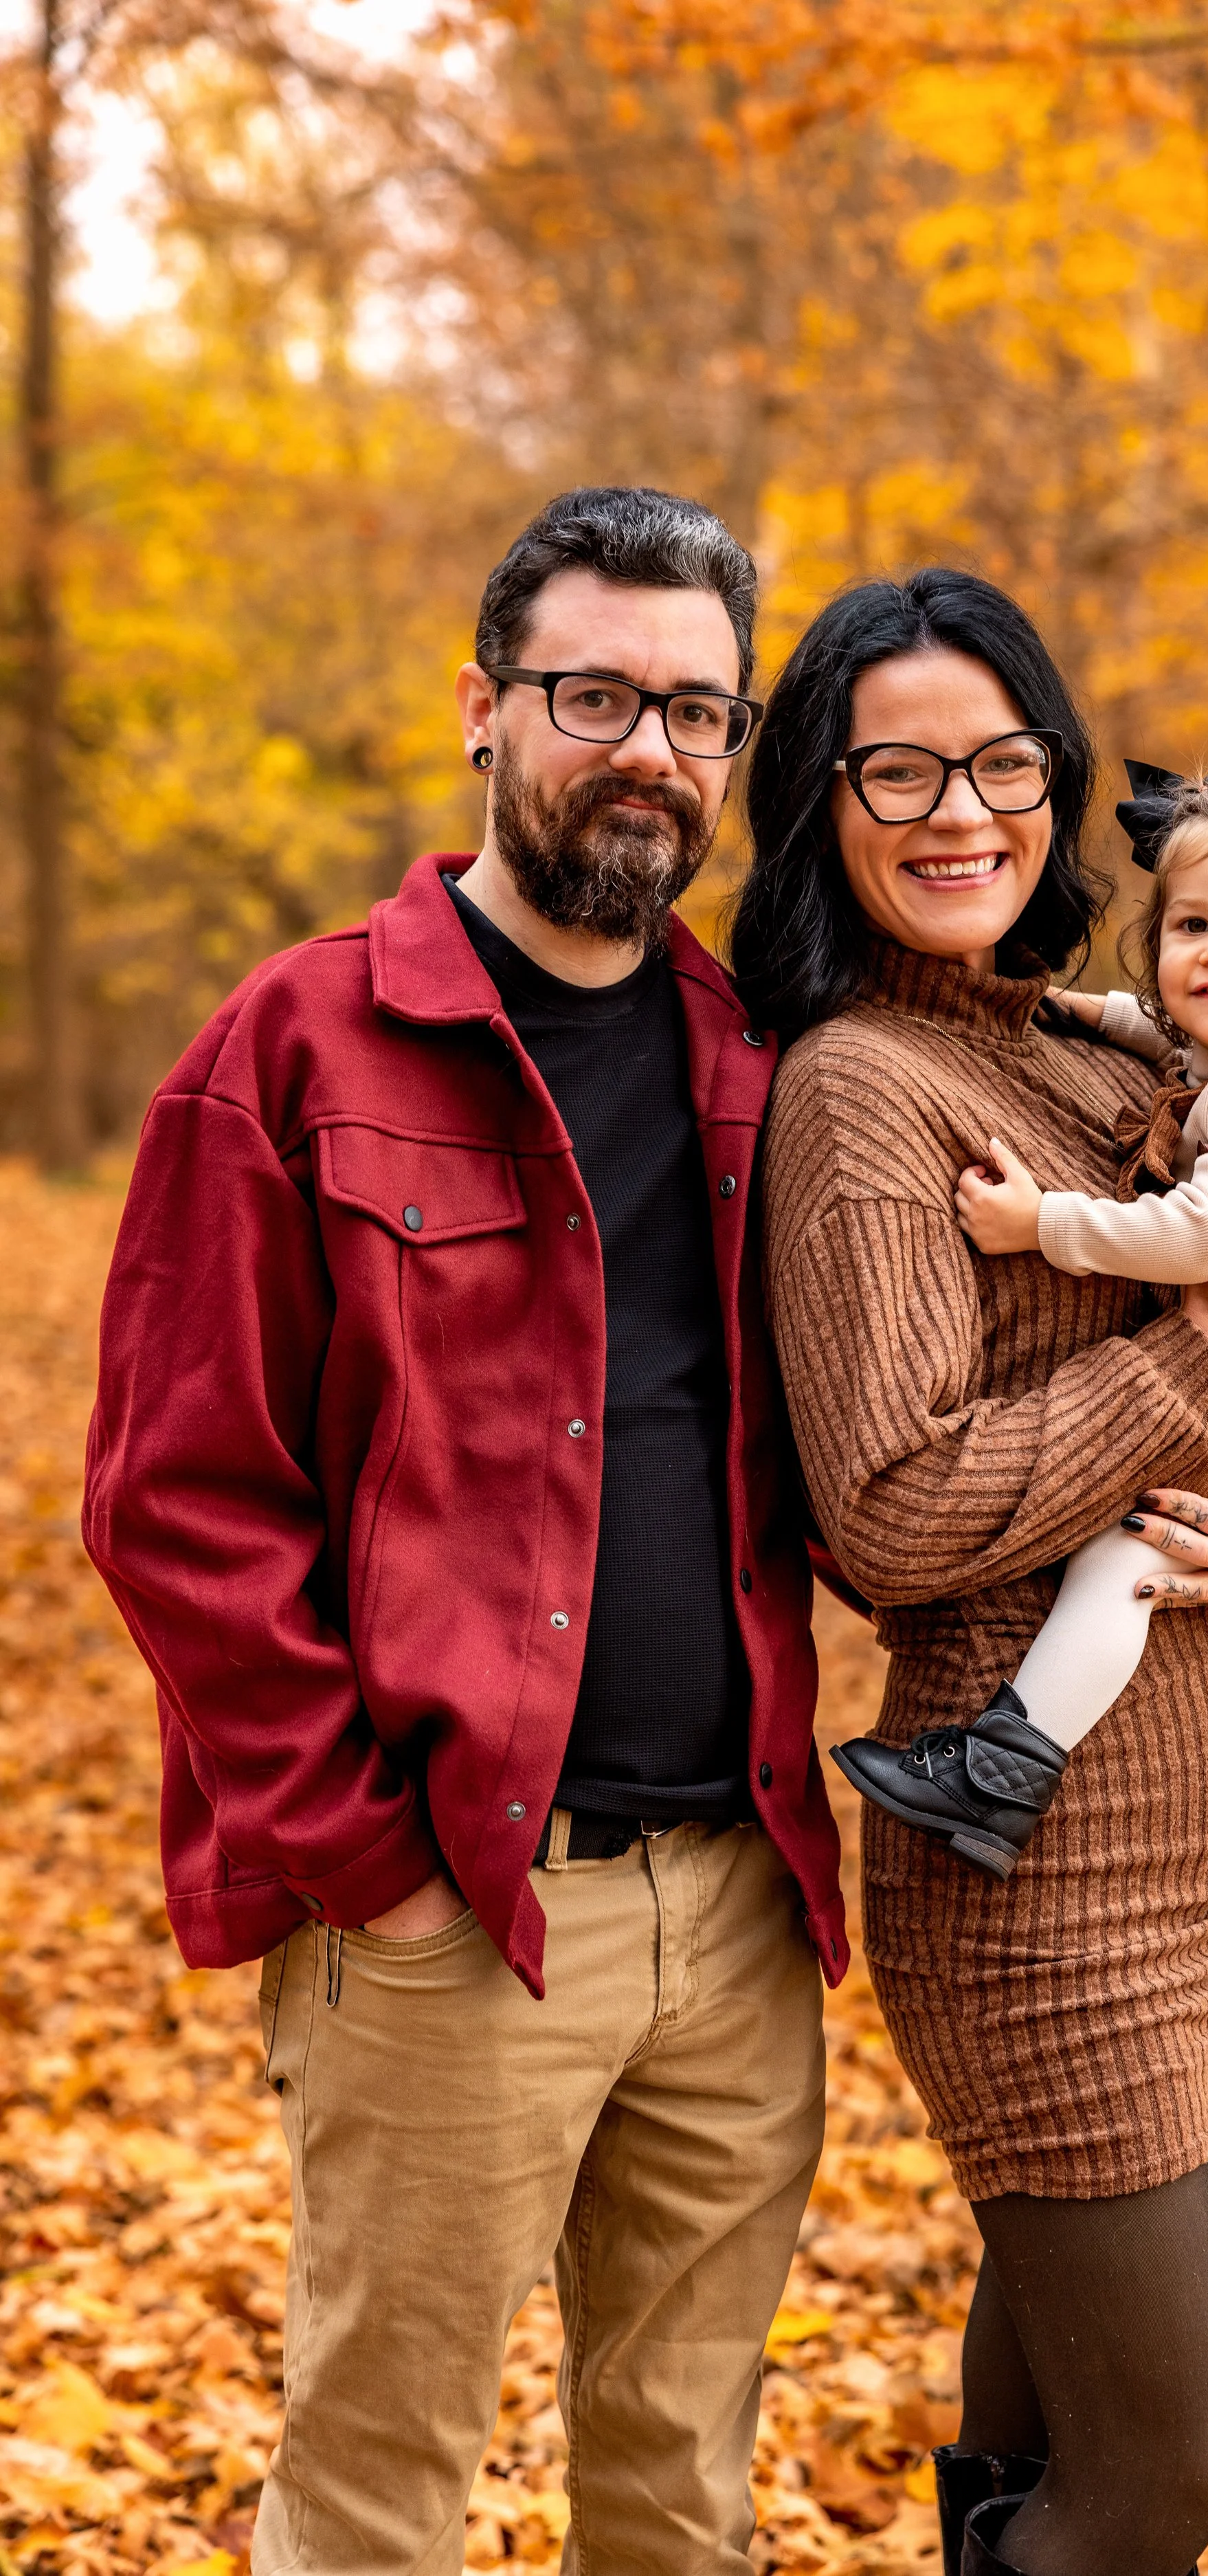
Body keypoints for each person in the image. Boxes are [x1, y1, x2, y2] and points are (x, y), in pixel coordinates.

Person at [82, 486, 849, 2576]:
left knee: (684, 2491)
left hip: (743, 1901)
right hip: (454, 1912)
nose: (650, 753)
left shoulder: (761, 1065)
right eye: (593, 693)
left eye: (699, 712)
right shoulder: (296, 1047)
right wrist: (365, 1867)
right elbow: (176, 1499)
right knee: (378, 2492)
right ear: (480, 712)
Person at [730, 566, 1208, 2576]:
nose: (959, 808)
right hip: (1034, 1867)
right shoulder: (864, 1093)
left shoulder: (1102, 1043)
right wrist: (1207, 1341)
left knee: (1045, 2405)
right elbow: (889, 1510)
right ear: (817, 803)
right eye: (896, 767)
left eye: (1001, 758)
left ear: (1057, 786)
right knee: (1165, 2470)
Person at [832, 736, 1208, 1878]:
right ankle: (1010, 1758)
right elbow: (1159, 1033)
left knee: (1128, 1547)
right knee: (1141, 1540)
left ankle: (1009, 1768)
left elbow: (1207, 1235)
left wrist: (1042, 1223)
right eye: (1192, 926)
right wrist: (1070, 1009)